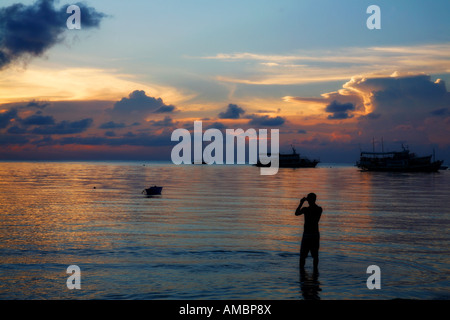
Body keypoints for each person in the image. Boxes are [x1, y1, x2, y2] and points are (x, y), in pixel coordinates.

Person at [295, 193, 322, 273]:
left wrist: (301, 203)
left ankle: (302, 272)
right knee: (315, 256)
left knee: (303, 257)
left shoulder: (306, 210)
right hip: (315, 235)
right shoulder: (319, 209)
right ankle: (315, 272)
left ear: (309, 200)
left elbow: (296, 213)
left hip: (307, 235)